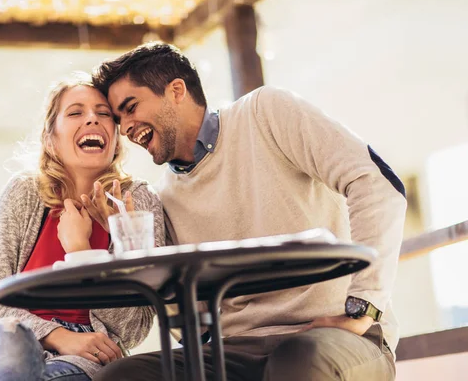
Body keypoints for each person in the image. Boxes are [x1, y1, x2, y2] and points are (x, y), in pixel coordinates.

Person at [90, 42, 407, 380]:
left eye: (131, 107)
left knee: (298, 364)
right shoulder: (161, 197)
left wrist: (362, 309)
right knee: (121, 376)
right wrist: (136, 253)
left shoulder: (266, 112)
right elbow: (190, 325)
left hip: (338, 336)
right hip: (235, 350)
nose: (125, 128)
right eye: (119, 119)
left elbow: (375, 183)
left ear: (176, 91)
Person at [0, 73, 165, 381]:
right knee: (13, 359)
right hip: (15, 343)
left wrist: (82, 252)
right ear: (51, 138)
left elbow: (133, 326)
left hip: (87, 357)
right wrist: (57, 335)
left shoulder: (137, 201)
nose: (92, 120)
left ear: (114, 138)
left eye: (103, 114)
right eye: (75, 112)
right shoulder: (24, 192)